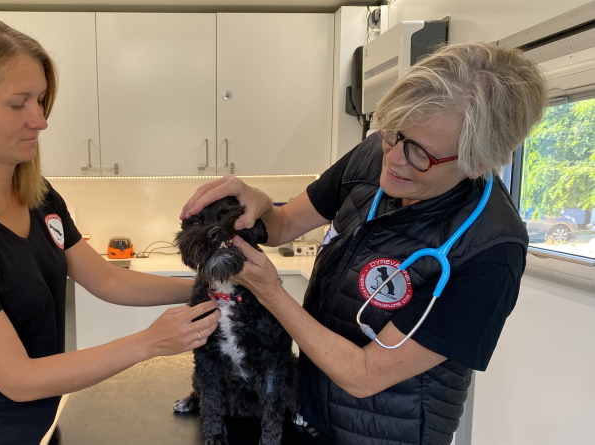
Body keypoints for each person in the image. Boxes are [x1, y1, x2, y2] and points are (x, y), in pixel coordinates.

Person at [180, 42, 546, 445]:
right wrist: (261, 202)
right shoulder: (377, 153)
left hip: (387, 433)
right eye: (392, 132)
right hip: (308, 414)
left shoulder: (490, 251)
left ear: (477, 161)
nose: (393, 159)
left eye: (419, 153)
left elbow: (365, 376)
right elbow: (283, 225)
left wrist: (271, 292)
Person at [0, 17, 220, 444]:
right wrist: (149, 342)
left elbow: (106, 280)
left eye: (41, 100)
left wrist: (208, 287)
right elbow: (18, 378)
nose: (40, 120)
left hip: (43, 426)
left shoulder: (38, 197)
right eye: (18, 104)